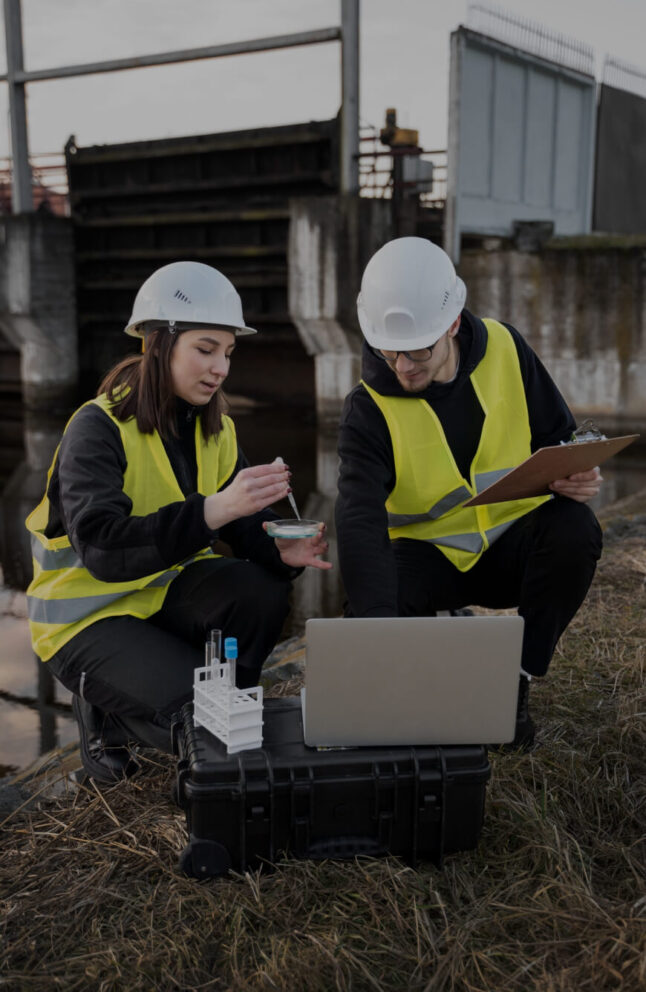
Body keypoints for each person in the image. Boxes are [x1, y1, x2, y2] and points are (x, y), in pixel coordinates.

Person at [25, 261, 331, 783]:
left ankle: (220, 722)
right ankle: (109, 720)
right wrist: (214, 509)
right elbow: (102, 547)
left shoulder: (217, 429)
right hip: (84, 621)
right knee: (201, 718)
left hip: (160, 596)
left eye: (228, 353)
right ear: (156, 344)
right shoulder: (95, 428)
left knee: (259, 590)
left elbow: (242, 523)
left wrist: (277, 548)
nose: (220, 369)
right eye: (205, 349)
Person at [335, 237, 603, 750]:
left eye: (418, 351)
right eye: (388, 352)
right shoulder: (366, 410)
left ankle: (514, 685)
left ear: (452, 324)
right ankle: (407, 696)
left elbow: (559, 439)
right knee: (375, 599)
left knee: (575, 530)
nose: (403, 367)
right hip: (426, 562)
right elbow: (358, 521)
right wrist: (375, 638)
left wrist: (578, 473)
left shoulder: (506, 348)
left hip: (510, 549)